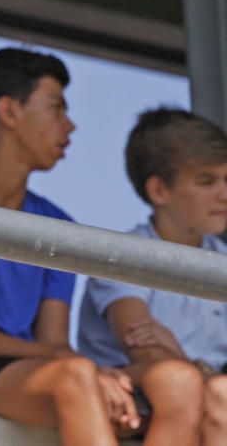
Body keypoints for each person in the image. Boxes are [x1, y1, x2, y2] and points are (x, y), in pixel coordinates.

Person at [0, 47, 143, 446]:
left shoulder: (59, 226)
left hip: (32, 374)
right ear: (10, 112)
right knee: (76, 375)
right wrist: (67, 362)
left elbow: (55, 340)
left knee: (90, 380)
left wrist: (76, 365)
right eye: (56, 108)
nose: (69, 126)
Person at [79, 108, 227, 444]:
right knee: (182, 383)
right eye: (206, 181)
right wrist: (195, 369)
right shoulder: (124, 253)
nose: (223, 193)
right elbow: (146, 353)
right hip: (131, 391)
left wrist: (195, 367)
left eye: (226, 180)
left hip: (210, 392)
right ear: (159, 190)